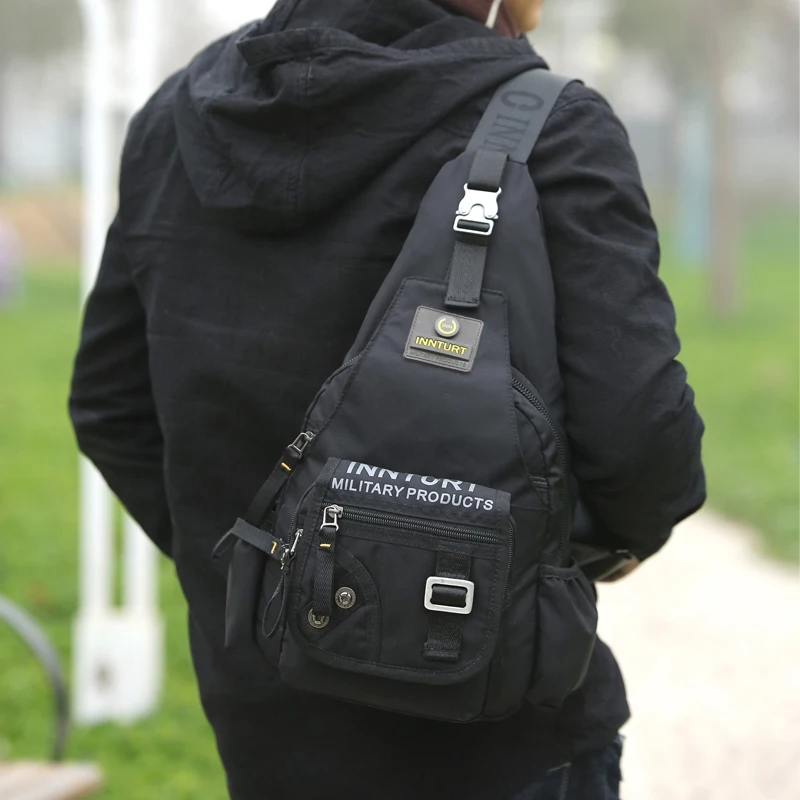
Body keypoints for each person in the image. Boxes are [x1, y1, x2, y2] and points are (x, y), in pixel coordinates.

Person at [68, 1, 706, 798]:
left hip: (270, 732)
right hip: (500, 737)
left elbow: (110, 404)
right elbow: (644, 444)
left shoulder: (176, 121)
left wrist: (268, 567)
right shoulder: (554, 129)